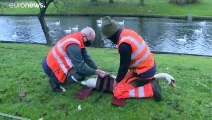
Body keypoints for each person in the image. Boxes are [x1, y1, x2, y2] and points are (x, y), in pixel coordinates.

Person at [101, 16, 161, 102]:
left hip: (144, 72)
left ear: (111, 36)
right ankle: (149, 82)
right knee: (121, 83)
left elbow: (123, 67)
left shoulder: (124, 46)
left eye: (108, 39)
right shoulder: (126, 32)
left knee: (118, 92)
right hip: (145, 67)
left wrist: (116, 82)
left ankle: (151, 89)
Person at [42, 26, 107, 92]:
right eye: (90, 40)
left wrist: (97, 69)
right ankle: (56, 82)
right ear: (84, 36)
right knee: (81, 73)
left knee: (83, 71)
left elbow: (86, 57)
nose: (90, 43)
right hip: (50, 66)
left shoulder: (78, 38)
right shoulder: (73, 46)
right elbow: (81, 67)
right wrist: (96, 72)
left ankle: (57, 78)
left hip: (50, 62)